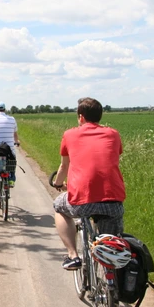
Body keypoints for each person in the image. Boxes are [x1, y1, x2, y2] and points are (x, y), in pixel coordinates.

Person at [51, 97, 126, 270]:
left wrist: (58, 183)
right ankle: (110, 284)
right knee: (110, 248)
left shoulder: (70, 134)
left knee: (59, 206)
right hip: (113, 201)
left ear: (81, 117)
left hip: (82, 202)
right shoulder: (113, 134)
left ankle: (72, 255)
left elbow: (64, 166)